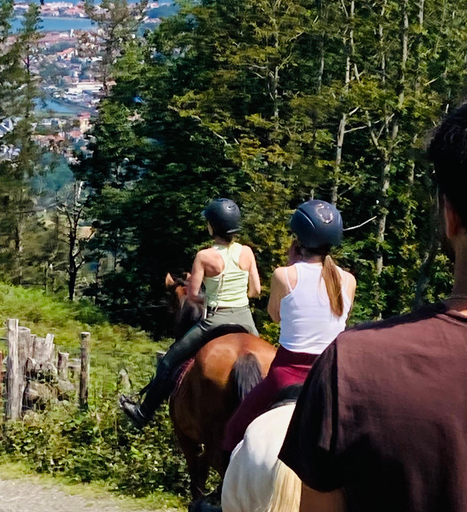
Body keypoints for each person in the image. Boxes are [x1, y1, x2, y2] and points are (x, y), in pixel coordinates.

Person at [278, 104, 467, 512]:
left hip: (294, 365)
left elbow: (276, 315)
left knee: (238, 422)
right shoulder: (345, 279)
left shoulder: (349, 360)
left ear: (450, 216)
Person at [221, 200, 356, 455]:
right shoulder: (348, 280)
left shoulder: (283, 275)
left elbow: (275, 316)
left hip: (285, 373)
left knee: (233, 431)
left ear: (298, 239)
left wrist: (291, 264)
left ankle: (222, 492)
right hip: (330, 375)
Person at [120, 198, 261, 428]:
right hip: (245, 318)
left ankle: (143, 412)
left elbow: (193, 294)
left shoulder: (204, 256)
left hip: (216, 319)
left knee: (169, 360)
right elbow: (255, 290)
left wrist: (210, 295)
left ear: (212, 227)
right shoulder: (247, 252)